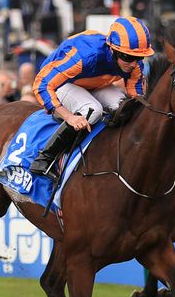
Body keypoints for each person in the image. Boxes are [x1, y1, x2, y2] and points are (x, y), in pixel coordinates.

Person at [29, 16, 154, 181]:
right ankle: (45, 159)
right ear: (112, 50)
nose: (134, 64)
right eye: (128, 57)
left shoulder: (134, 63)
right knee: (92, 110)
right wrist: (68, 116)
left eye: (139, 58)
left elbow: (136, 95)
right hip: (63, 84)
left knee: (123, 107)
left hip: (93, 84)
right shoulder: (85, 56)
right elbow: (42, 84)